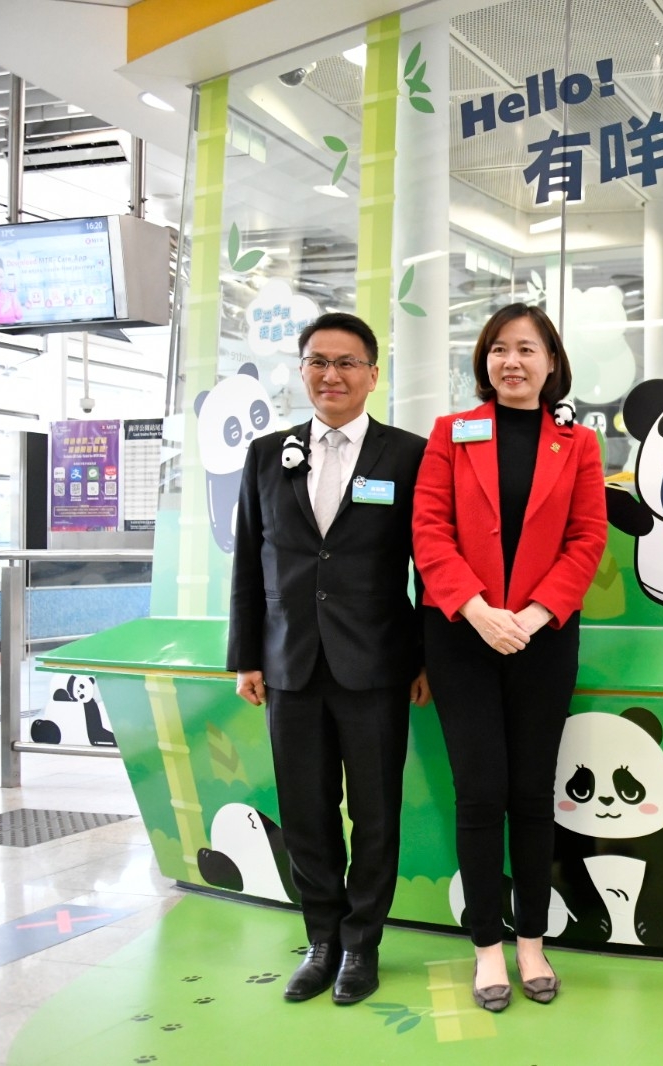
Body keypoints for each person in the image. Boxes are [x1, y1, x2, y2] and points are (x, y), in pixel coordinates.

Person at [227, 311, 430, 1006]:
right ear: (302, 371)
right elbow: (250, 562)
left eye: (346, 363)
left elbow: (427, 565)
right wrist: (246, 656)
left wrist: (425, 657)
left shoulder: (408, 456)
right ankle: (323, 941)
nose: (331, 375)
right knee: (306, 812)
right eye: (318, 361)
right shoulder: (267, 454)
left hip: (377, 665)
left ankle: (362, 944)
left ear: (373, 375)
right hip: (289, 665)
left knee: (375, 813)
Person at [412, 302, 607, 1013]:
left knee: (530, 794)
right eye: (498, 348)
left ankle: (531, 940)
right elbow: (428, 530)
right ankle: (487, 948)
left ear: (551, 362)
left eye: (526, 348)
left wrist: (531, 614)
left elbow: (587, 538)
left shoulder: (578, 444)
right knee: (479, 793)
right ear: (484, 361)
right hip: (460, 636)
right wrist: (478, 610)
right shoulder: (451, 433)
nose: (511, 361)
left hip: (542, 638)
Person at [0, 259, 24, 325]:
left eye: (1, 277)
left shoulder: (10, 295)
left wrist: (14, 296)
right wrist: (3, 310)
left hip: (14, 331)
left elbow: (19, 316)